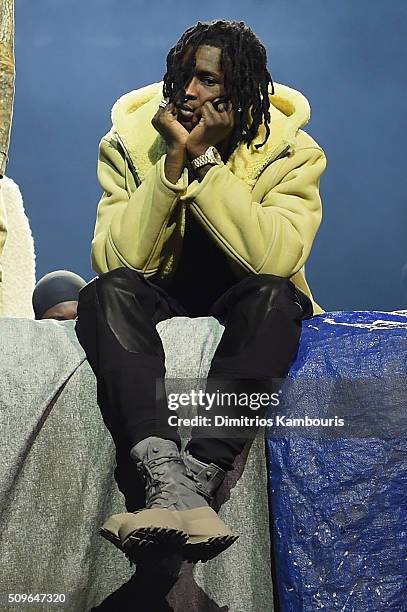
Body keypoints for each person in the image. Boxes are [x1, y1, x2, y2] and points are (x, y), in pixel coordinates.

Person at [75, 19, 326, 566]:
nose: (190, 92)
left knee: (276, 299)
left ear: (240, 92)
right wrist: (171, 164)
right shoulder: (129, 142)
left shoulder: (292, 153)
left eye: (209, 82)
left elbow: (275, 261)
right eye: (184, 78)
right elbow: (118, 260)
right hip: (160, 285)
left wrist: (207, 162)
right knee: (104, 292)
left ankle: (200, 475)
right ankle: (167, 477)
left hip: (244, 290)